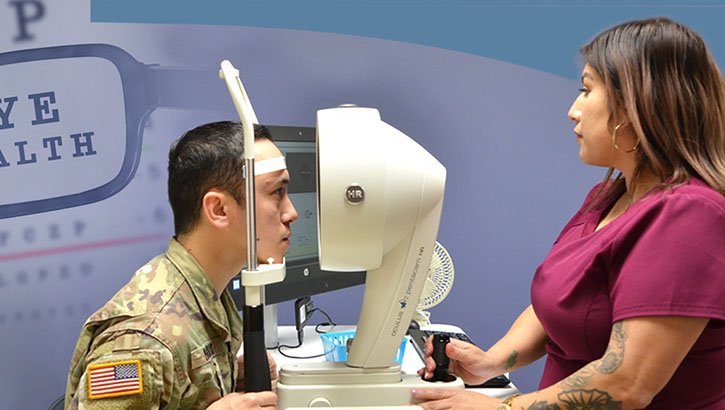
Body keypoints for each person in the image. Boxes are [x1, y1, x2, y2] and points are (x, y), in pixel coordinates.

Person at [413, 17, 725, 409]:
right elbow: (560, 305)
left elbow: (627, 383)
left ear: (634, 105)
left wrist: (503, 409)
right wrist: (491, 362)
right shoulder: (607, 197)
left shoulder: (688, 216)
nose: (573, 111)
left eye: (587, 90)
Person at [64, 121, 298, 409]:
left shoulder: (208, 295)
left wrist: (224, 382)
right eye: (277, 193)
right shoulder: (144, 341)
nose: (291, 213)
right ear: (219, 210)